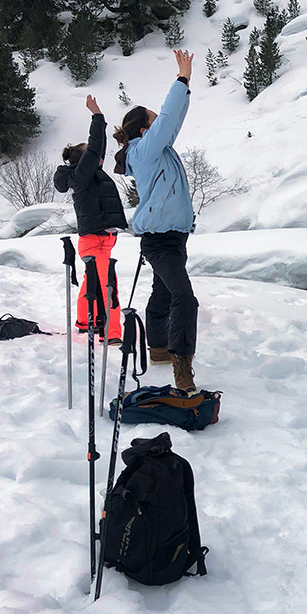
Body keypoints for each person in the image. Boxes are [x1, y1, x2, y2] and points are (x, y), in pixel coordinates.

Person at [112, 49, 199, 393]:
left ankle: (159, 347)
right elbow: (168, 118)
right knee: (184, 298)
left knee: (163, 293)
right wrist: (182, 79)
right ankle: (181, 363)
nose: (160, 125)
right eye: (153, 120)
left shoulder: (156, 148)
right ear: (145, 129)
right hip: (160, 238)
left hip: (174, 236)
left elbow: (172, 121)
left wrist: (185, 89)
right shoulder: (144, 150)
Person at [54, 95, 128, 344]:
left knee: (93, 280)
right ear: (82, 161)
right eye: (91, 155)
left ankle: (88, 322)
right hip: (95, 240)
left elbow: (98, 149)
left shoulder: (89, 175)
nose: (100, 157)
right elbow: (96, 146)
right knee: (109, 285)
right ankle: (113, 332)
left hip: (99, 238)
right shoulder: (82, 176)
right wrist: (98, 117)